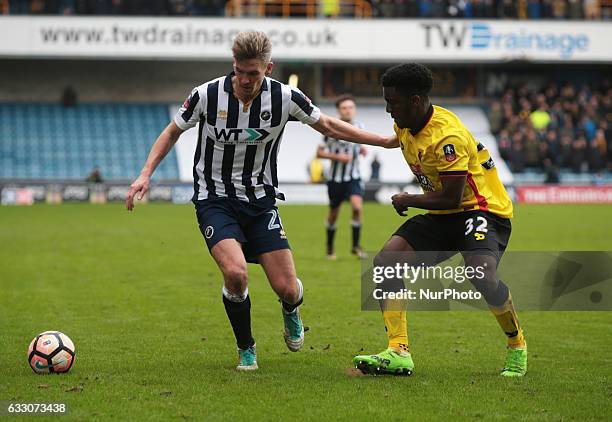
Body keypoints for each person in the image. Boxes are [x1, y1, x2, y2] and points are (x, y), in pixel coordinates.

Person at [125, 31, 391, 371]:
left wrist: (383, 141)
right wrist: (145, 173)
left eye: (254, 73)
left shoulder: (285, 97)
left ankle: (291, 308)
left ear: (269, 67)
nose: (246, 80)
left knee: (287, 289)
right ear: (232, 65)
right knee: (235, 274)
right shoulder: (206, 96)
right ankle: (246, 347)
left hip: (260, 202)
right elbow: (172, 131)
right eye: (240, 71)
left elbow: (327, 125)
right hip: (214, 198)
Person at [351, 63, 527, 377]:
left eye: (393, 102)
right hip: (444, 214)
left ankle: (517, 344)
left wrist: (408, 199)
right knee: (387, 261)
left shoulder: (448, 137)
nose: (389, 109)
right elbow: (393, 141)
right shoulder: (406, 124)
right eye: (387, 101)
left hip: (482, 211)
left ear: (415, 100)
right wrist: (337, 129)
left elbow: (452, 197)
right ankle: (398, 351)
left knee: (480, 274)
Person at [316, 94, 367, 260]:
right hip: (335, 179)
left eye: (351, 107)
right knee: (333, 214)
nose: (348, 110)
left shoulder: (359, 126)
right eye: (344, 108)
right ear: (339, 110)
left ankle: (356, 246)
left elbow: (358, 144)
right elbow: (319, 153)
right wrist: (338, 158)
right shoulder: (330, 128)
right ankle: (330, 248)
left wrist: (361, 149)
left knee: (357, 208)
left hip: (354, 177)